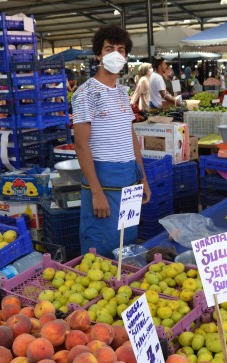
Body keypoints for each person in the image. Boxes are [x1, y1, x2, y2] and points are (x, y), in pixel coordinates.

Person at [72, 24, 151, 259]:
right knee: (101, 247)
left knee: (126, 240)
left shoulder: (120, 91)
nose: (116, 54)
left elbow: (131, 138)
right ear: (98, 54)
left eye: (121, 49)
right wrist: (96, 192)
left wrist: (143, 180)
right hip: (103, 181)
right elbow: (81, 145)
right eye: (109, 49)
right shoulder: (86, 93)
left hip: (129, 180)